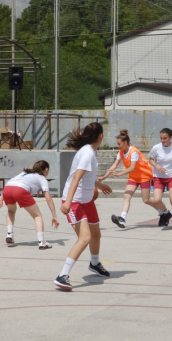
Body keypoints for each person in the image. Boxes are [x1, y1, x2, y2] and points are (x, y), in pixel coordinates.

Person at [54, 123, 113, 292]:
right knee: (85, 237)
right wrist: (67, 202)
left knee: (96, 234)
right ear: (100, 136)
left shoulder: (89, 151)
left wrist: (99, 185)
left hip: (86, 200)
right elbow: (75, 179)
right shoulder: (87, 153)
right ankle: (62, 275)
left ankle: (94, 263)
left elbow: (86, 176)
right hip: (75, 201)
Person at [99, 129, 159, 229]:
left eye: (119, 144)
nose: (118, 146)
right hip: (133, 177)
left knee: (146, 200)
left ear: (125, 142)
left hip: (144, 176)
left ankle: (162, 211)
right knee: (126, 196)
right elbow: (114, 165)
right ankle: (122, 219)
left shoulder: (133, 152)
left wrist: (119, 174)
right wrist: (105, 176)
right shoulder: (121, 152)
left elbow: (132, 167)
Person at [0, 160, 59, 250]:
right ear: (46, 169)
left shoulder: (24, 172)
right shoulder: (42, 177)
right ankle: (42, 242)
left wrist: (1, 197)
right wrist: (54, 215)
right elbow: (48, 198)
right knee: (37, 215)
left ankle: (9, 235)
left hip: (7, 188)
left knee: (11, 210)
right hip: (20, 190)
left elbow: (12, 183)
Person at [148, 128, 172, 231]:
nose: (162, 140)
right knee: (157, 200)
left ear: (170, 137)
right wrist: (156, 166)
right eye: (161, 138)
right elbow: (150, 159)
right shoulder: (156, 148)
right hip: (158, 177)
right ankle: (166, 213)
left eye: (165, 138)